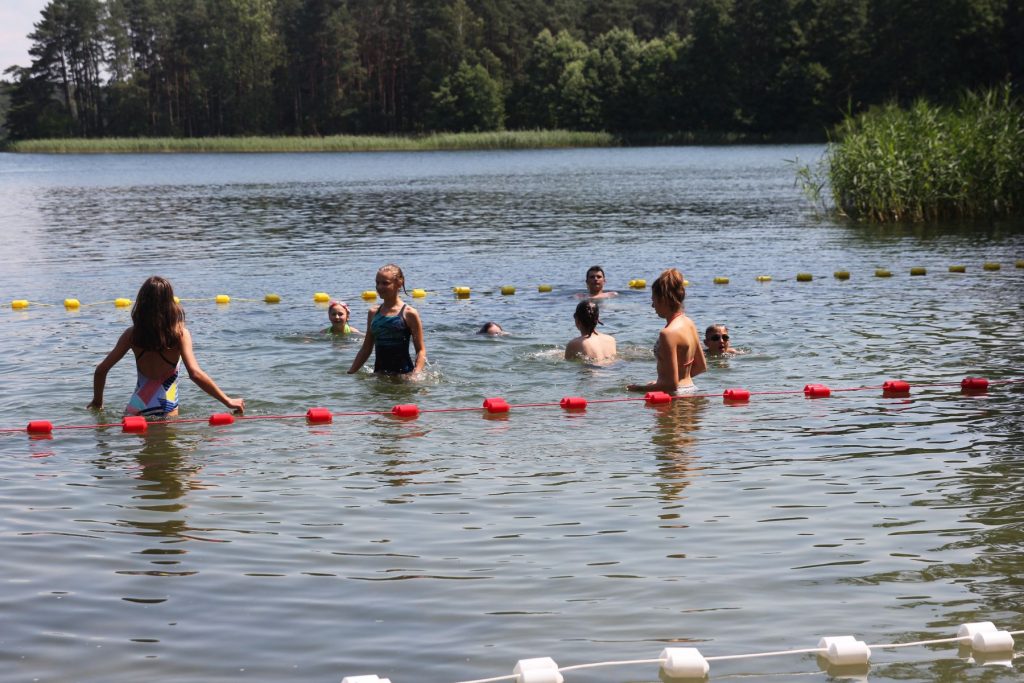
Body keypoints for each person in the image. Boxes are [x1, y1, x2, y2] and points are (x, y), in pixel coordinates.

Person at [87, 276, 245, 416]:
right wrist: (228, 401)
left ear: (142, 303)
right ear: (169, 302)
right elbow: (195, 374)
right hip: (166, 409)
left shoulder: (132, 334)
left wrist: (97, 402)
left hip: (136, 408)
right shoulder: (180, 334)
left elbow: (101, 370)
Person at [627, 268, 706, 394]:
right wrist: (664, 382)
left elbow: (670, 386)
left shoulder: (667, 333)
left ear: (663, 300)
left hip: (675, 397)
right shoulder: (689, 323)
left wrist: (638, 388)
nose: (653, 306)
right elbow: (701, 367)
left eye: (653, 300)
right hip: (691, 390)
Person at [348, 264, 426, 376]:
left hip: (403, 377)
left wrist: (415, 375)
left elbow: (421, 350)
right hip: (379, 375)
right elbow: (366, 349)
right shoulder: (373, 313)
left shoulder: (409, 313)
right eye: (377, 283)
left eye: (385, 283)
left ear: (399, 283)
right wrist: (350, 372)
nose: (379, 287)